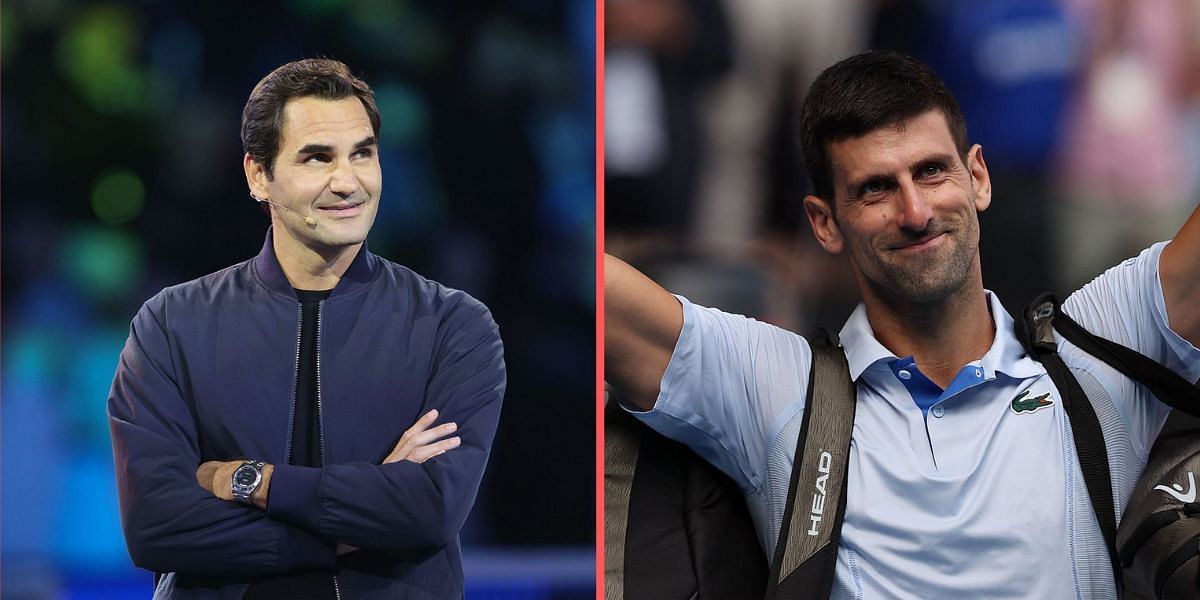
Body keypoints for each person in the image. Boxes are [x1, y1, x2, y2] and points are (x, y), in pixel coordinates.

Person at [605, 50, 1200, 597]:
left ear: (979, 178)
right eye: (875, 189)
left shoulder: (1092, 351)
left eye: (933, 171)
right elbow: (596, 288)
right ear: (824, 223)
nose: (915, 212)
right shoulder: (780, 386)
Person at [107, 58, 506, 599]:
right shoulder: (171, 323)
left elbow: (430, 509)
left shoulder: (453, 325)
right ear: (258, 175)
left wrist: (249, 480)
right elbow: (157, 526)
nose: (348, 182)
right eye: (317, 158)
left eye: (362, 154)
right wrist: (353, 527)